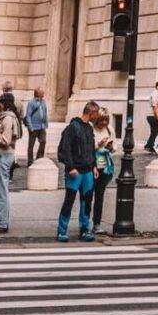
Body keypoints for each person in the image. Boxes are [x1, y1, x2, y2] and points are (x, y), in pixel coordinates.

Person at [57, 101, 98, 241]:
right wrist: (70, 167)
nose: (96, 116)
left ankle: (85, 229)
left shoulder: (89, 128)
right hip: (76, 171)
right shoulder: (73, 127)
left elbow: (91, 149)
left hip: (88, 171)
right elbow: (65, 148)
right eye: (96, 113)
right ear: (90, 112)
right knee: (69, 200)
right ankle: (61, 230)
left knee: (87, 201)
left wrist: (94, 166)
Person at [0, 92, 23, 235]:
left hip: (3, 155)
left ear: (4, 104)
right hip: (5, 155)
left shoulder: (8, 118)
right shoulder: (9, 117)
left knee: (1, 190)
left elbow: (6, 140)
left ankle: (1, 223)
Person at [88, 101, 115, 232]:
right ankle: (85, 223)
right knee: (88, 196)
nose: (104, 123)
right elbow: (88, 148)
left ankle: (96, 224)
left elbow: (114, 148)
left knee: (100, 197)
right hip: (93, 166)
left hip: (105, 167)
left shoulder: (109, 130)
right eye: (101, 120)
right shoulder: (91, 130)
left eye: (106, 120)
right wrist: (98, 145)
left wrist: (111, 147)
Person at [24, 88, 49, 164]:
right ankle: (30, 161)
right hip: (33, 127)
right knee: (31, 145)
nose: (44, 93)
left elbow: (45, 112)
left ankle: (39, 158)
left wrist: (46, 123)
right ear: (38, 93)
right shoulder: (31, 102)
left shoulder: (43, 101)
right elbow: (28, 116)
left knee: (43, 142)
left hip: (42, 126)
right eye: (42, 92)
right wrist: (30, 127)